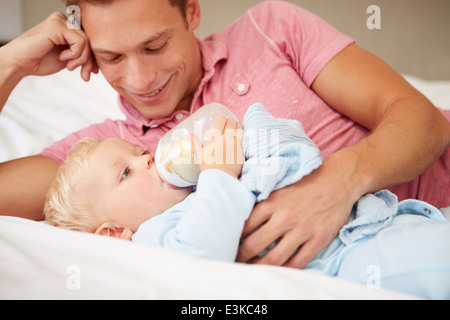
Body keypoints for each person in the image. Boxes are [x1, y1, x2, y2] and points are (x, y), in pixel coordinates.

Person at [0, 0, 449, 270]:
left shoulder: (271, 28)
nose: (140, 79)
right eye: (112, 57)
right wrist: (11, 63)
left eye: (155, 47)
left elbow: (423, 120)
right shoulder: (106, 158)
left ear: (191, 11)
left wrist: (339, 182)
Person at [44, 103, 450, 299]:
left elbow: (291, 158)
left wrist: (247, 139)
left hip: (382, 221)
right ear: (115, 233)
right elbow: (202, 256)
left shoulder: (204, 186)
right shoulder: (154, 238)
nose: (147, 156)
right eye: (127, 172)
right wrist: (222, 173)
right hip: (353, 261)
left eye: (137, 150)